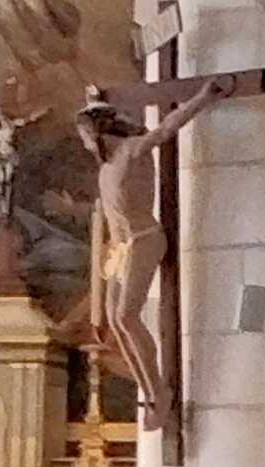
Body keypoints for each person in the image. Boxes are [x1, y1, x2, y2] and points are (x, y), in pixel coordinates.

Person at [77, 76, 231, 428]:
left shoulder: (131, 150)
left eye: (84, 134)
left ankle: (159, 392)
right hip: (121, 249)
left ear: (97, 132)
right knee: (116, 321)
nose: (83, 141)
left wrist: (202, 98)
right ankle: (148, 391)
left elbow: (165, 130)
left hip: (144, 239)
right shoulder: (107, 164)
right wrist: (94, 97)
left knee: (128, 315)